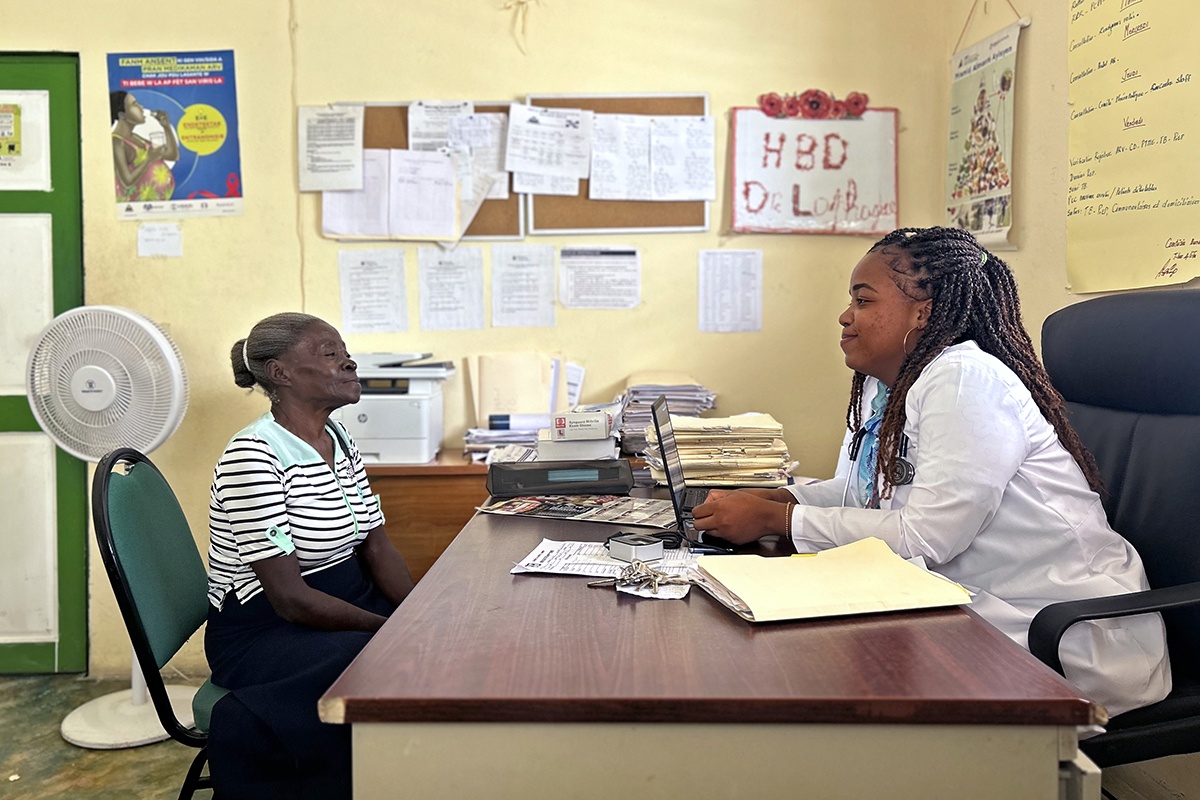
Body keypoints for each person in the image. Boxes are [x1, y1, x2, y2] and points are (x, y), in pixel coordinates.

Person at [691, 226, 1171, 717]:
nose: (845, 316)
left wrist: (778, 522)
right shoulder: (897, 386)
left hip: (1062, 629)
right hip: (974, 602)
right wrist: (785, 499)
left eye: (863, 300)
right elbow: (867, 497)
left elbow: (926, 538)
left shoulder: (965, 380)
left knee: (818, 669)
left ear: (923, 311)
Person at [204, 312, 415, 800]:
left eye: (345, 351)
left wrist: (417, 615)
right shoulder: (254, 456)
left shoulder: (339, 441)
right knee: (381, 661)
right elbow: (289, 598)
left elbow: (377, 546)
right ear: (280, 374)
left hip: (342, 603)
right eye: (330, 354)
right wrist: (390, 631)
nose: (349, 362)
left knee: (442, 641)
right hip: (265, 629)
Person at [109, 90, 178, 202]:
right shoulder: (116, 142)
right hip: (133, 209)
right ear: (122, 115)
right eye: (134, 105)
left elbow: (172, 155)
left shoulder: (136, 138)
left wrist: (166, 127)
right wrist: (149, 159)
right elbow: (127, 182)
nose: (141, 107)